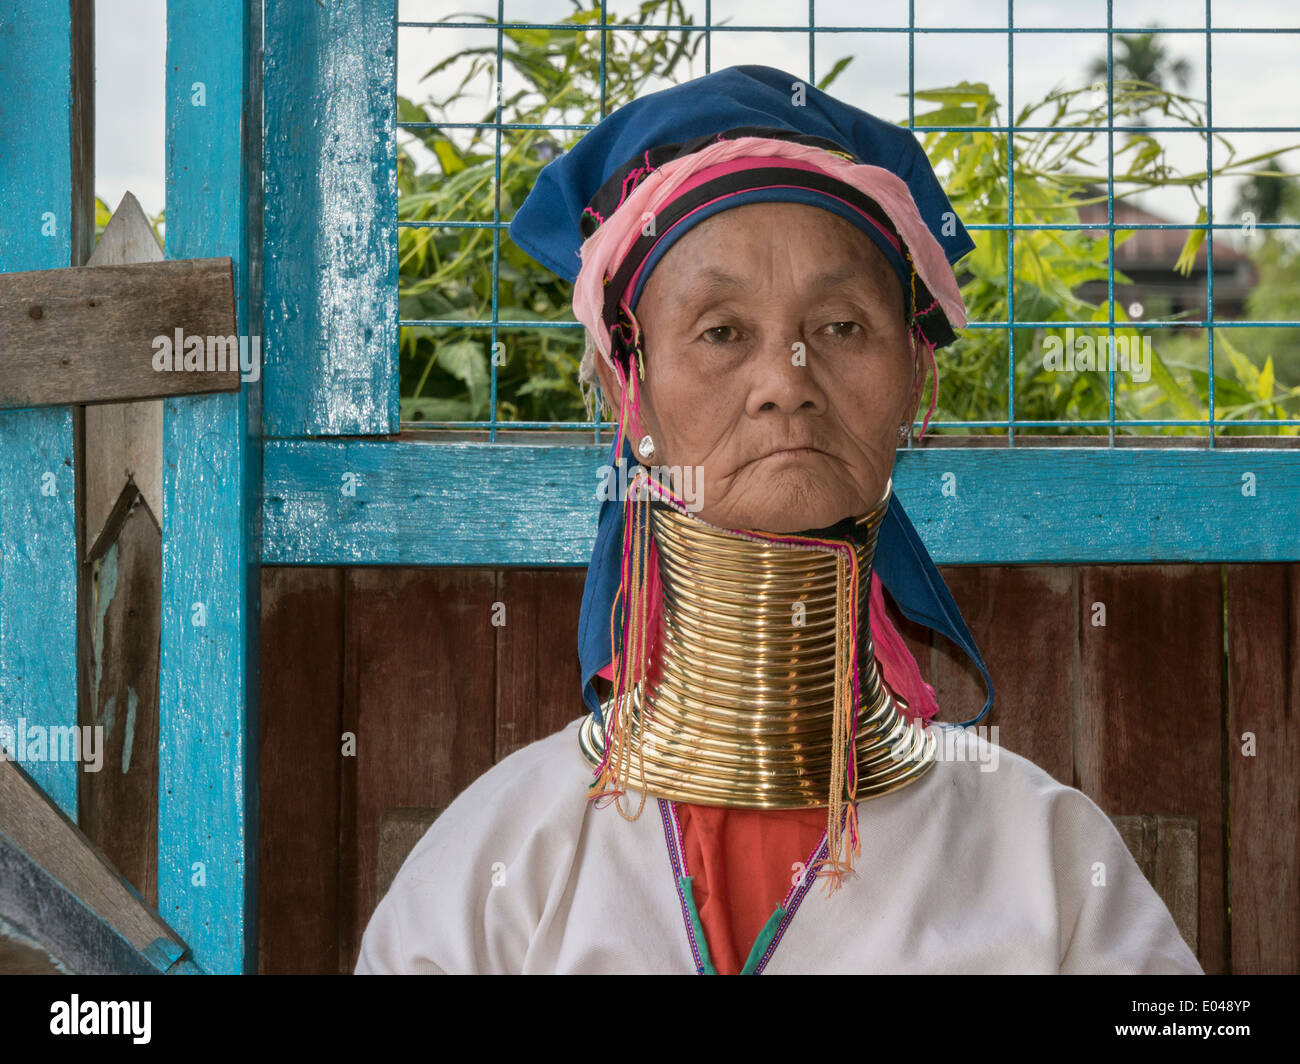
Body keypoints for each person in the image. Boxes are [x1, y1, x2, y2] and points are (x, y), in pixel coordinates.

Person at [354, 64, 1202, 975]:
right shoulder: (492, 874)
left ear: (914, 374)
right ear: (621, 386)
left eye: (840, 326)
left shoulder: (1048, 864)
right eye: (721, 331)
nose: (786, 383)